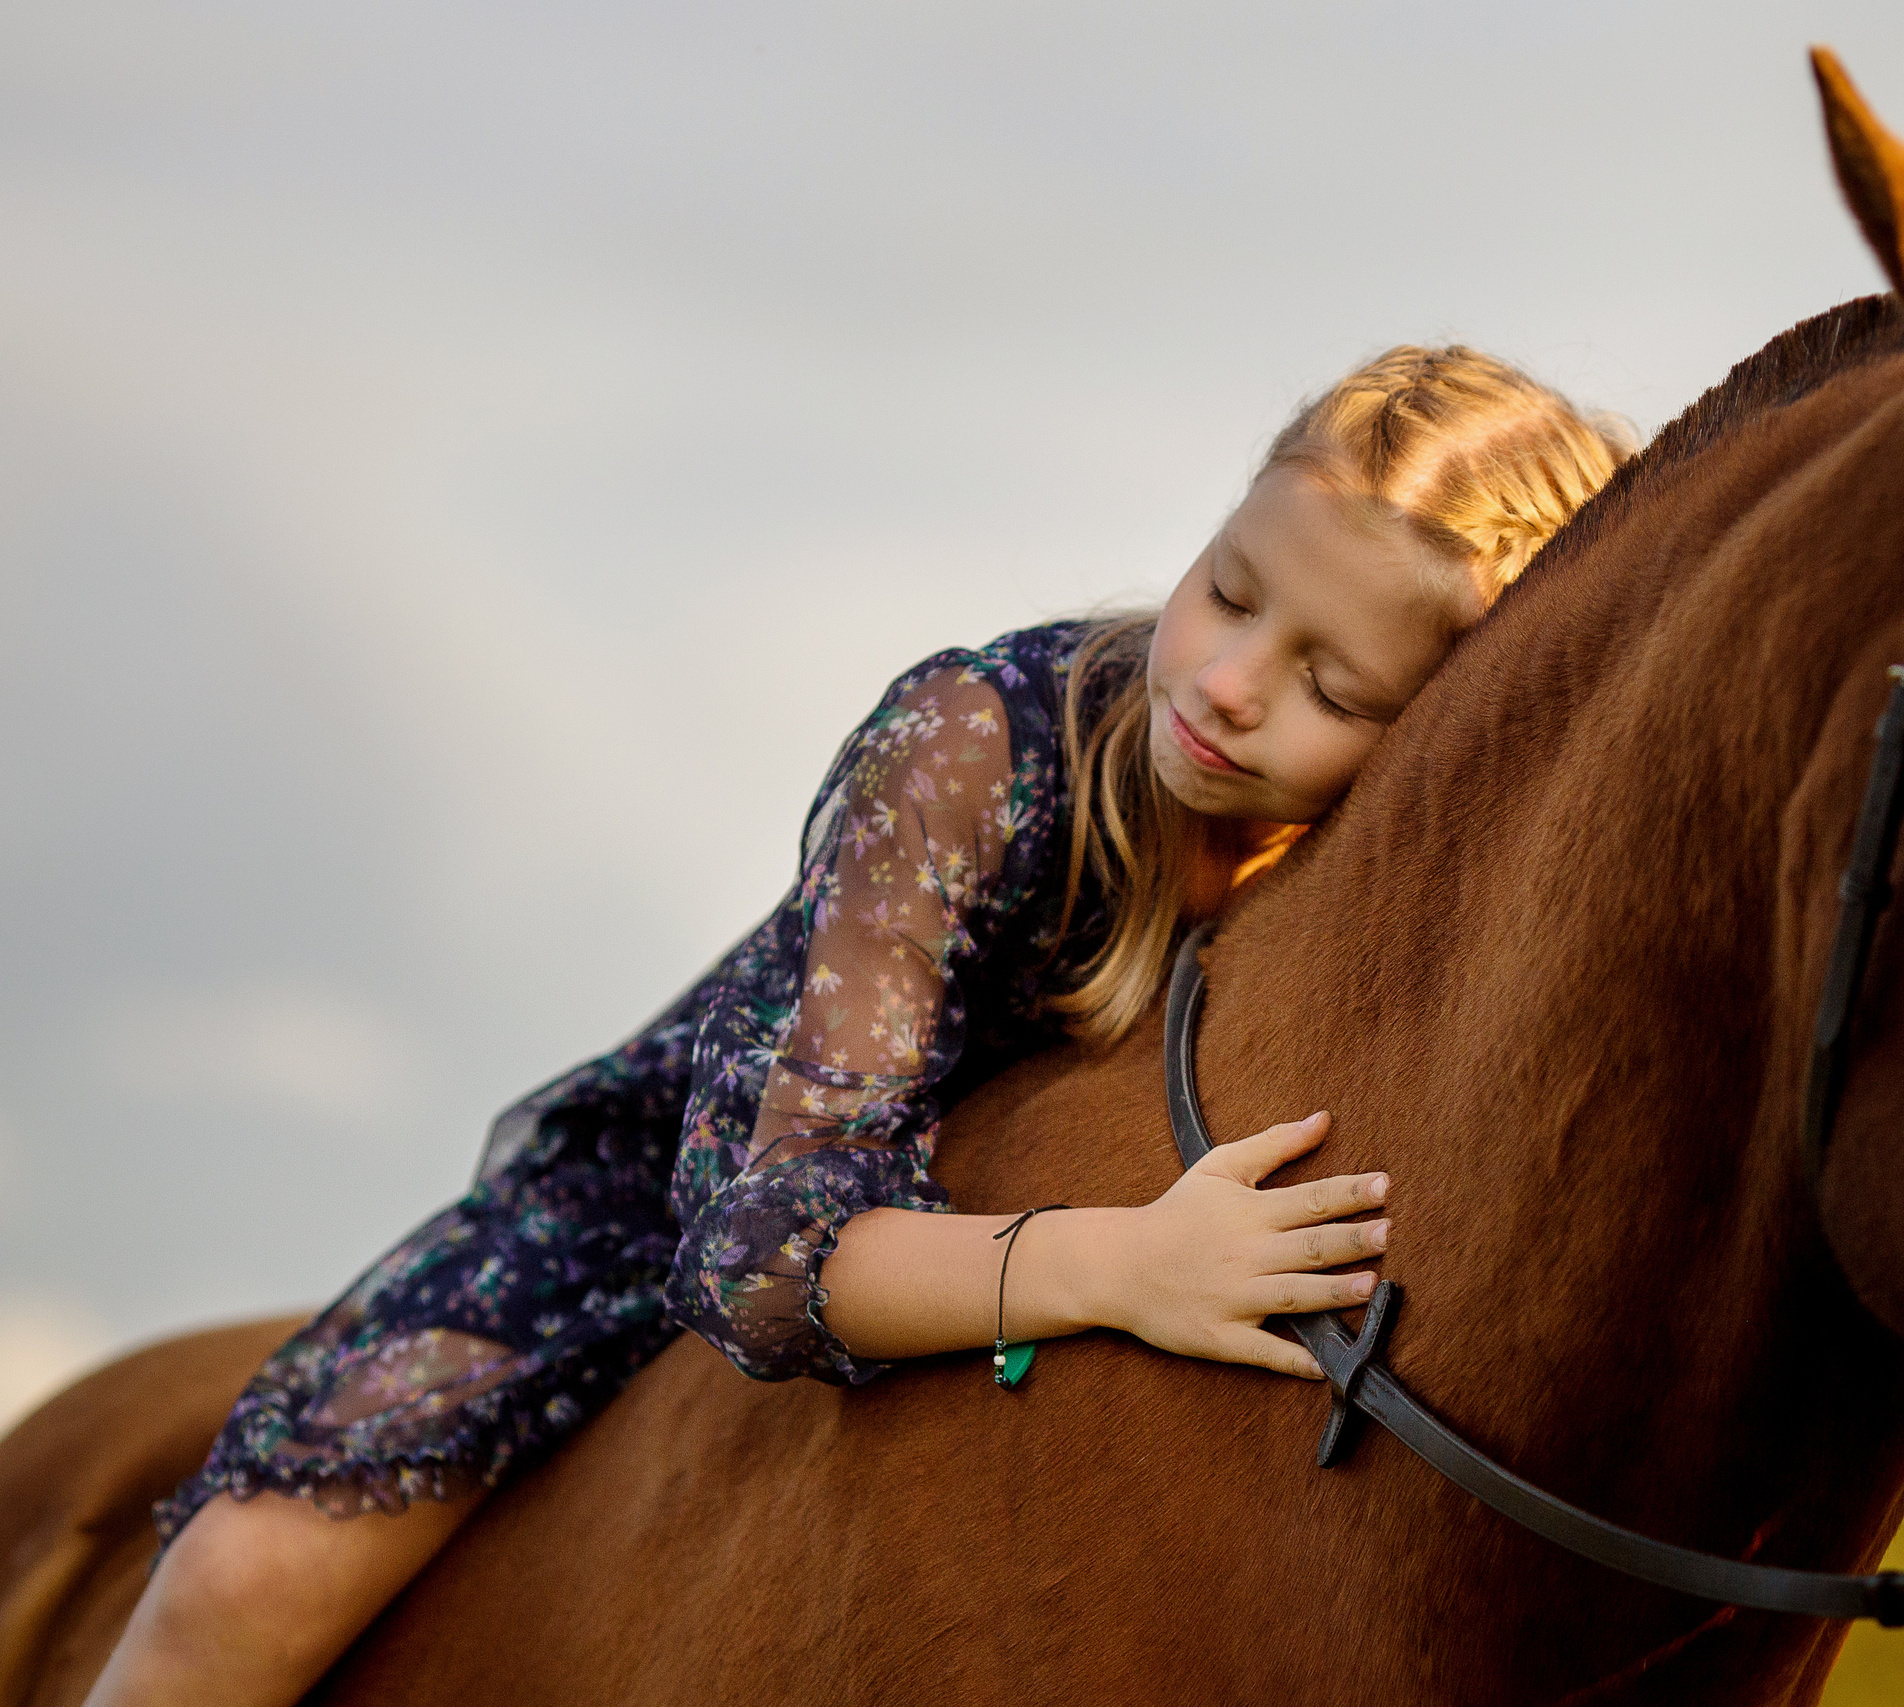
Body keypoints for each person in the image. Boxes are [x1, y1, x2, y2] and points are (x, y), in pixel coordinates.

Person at [86, 346, 1634, 1705]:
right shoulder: (975, 744)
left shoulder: (1375, 894)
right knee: (241, 1586)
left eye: (1333, 685)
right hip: (685, 1204)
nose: (1228, 685)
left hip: (997, 1218)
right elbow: (762, 1255)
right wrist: (1122, 1264)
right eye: (1229, 591)